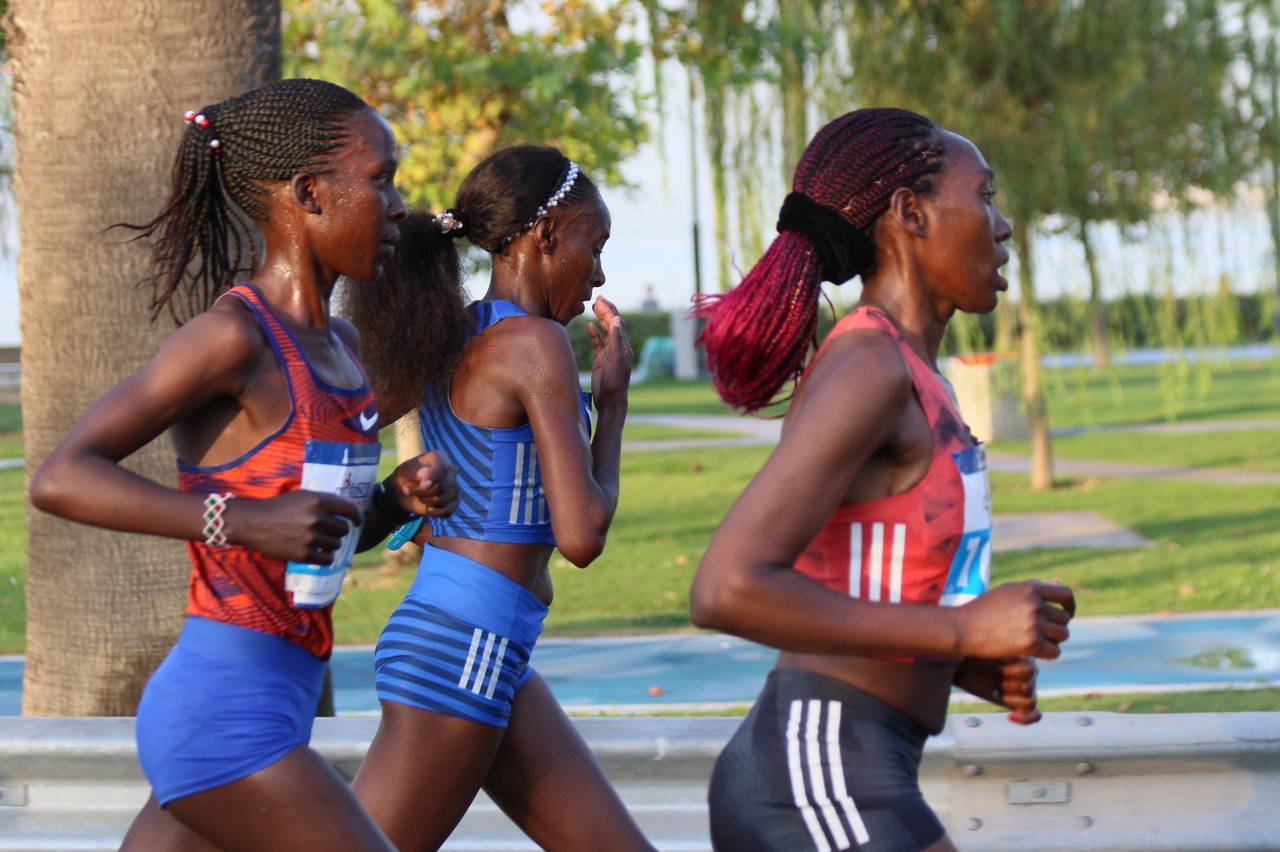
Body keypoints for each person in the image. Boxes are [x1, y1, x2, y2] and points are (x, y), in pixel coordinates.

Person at [29, 78, 456, 851]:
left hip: (282, 696)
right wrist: (244, 519)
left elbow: (316, 537)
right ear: (309, 194)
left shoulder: (343, 351)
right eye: (380, 179)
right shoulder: (232, 340)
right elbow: (62, 476)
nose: (398, 206)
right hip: (222, 714)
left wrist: (391, 504)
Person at [687, 108, 1076, 852]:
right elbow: (725, 587)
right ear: (911, 213)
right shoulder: (869, 366)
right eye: (985, 196)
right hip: (818, 772)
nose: (1004, 225)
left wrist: (960, 661)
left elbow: (857, 577)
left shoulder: (911, 371)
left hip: (848, 764)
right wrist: (960, 628)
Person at [343, 144, 653, 851]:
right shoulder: (537, 344)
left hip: (477, 644)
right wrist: (615, 408)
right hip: (464, 647)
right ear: (546, 235)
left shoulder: (452, 332)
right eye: (592, 245)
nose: (600, 271)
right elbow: (581, 537)